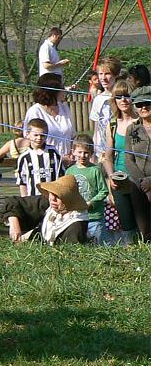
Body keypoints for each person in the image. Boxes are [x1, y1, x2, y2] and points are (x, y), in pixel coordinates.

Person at [103, 80, 140, 244]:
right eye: (119, 96)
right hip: (119, 179)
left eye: (127, 96)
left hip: (140, 180)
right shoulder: (112, 124)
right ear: (114, 100)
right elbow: (108, 156)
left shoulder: (142, 122)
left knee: (143, 223)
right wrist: (111, 177)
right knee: (126, 225)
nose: (123, 100)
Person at [3, 175, 89, 244]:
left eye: (58, 196)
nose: (53, 199)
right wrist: (14, 224)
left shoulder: (76, 225)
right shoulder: (48, 203)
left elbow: (69, 253)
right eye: (52, 194)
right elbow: (13, 201)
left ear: (69, 199)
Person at [65, 135, 109, 244]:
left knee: (98, 245)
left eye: (86, 153)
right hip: (77, 217)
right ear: (73, 152)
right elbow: (66, 191)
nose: (82, 155)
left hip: (94, 217)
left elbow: (103, 191)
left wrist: (91, 203)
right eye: (79, 152)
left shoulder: (95, 170)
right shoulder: (69, 171)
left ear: (91, 153)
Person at [23, 73, 76, 162]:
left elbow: (72, 136)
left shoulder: (65, 109)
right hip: (46, 163)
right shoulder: (35, 112)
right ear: (52, 91)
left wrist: (73, 154)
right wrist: (59, 158)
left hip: (68, 164)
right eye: (61, 88)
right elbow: (31, 141)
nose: (64, 90)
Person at [124, 85, 151, 241]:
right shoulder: (132, 130)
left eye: (147, 103)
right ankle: (145, 239)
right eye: (139, 105)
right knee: (134, 190)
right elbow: (129, 159)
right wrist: (143, 183)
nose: (144, 107)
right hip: (139, 182)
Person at [16, 118, 65, 196]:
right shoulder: (24, 157)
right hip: (33, 199)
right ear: (28, 134)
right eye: (36, 135)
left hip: (53, 198)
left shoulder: (53, 152)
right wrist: (25, 200)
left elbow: (61, 175)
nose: (39, 138)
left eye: (42, 135)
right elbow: (22, 182)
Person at [90, 56, 121, 160]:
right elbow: (96, 128)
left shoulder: (122, 97)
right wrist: (94, 151)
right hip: (102, 151)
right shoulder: (98, 99)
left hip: (120, 150)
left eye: (107, 74)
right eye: (100, 74)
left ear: (115, 74)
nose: (103, 78)